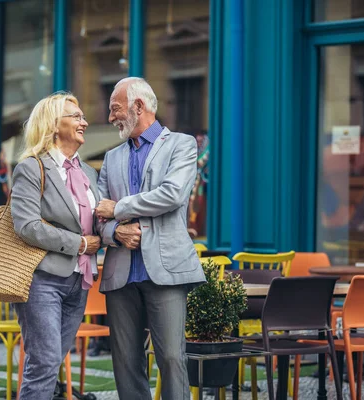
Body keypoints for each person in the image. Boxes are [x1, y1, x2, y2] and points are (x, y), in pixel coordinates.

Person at [95, 77, 206, 399]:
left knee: (171, 357)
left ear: (138, 106)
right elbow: (97, 215)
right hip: (121, 273)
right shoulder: (112, 157)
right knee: (125, 362)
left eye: (115, 108)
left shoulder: (182, 144)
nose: (111, 117)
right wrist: (114, 231)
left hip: (166, 270)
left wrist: (119, 208)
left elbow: (172, 195)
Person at [10, 91, 101, 399]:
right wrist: (78, 244)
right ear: (53, 124)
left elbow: (97, 222)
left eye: (83, 116)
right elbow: (27, 226)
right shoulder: (31, 168)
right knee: (45, 360)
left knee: (52, 361)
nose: (84, 122)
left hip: (79, 281)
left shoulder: (88, 173)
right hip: (42, 280)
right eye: (75, 117)